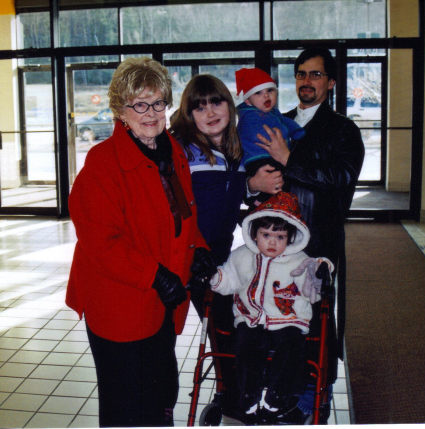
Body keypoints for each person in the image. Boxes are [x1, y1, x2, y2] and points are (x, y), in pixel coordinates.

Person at [65, 57, 216, 427]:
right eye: (139, 104)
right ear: (120, 109)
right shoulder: (102, 163)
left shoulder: (172, 151)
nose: (150, 113)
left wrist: (199, 252)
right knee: (125, 405)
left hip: (161, 302)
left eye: (158, 102)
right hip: (119, 304)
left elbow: (183, 214)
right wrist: (154, 274)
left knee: (161, 391)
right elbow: (101, 242)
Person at [252, 48, 365, 423]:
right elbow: (254, 172)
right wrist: (253, 183)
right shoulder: (276, 122)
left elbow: (340, 180)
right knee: (271, 314)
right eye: (301, 73)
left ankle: (312, 397)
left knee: (314, 321)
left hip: (318, 243)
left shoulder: (344, 131)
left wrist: (290, 160)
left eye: (316, 75)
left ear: (331, 83)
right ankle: (273, 391)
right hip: (273, 245)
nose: (306, 81)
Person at [169, 74, 282, 418]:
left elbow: (225, 197)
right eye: (199, 106)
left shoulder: (232, 146)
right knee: (209, 329)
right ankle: (231, 398)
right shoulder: (181, 149)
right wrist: (248, 183)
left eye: (216, 102)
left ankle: (234, 394)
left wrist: (248, 185)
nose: (209, 111)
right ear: (189, 114)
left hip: (218, 253)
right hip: (186, 258)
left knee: (228, 326)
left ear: (230, 105)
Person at [210, 192, 333, 424]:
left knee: (291, 348)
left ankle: (279, 395)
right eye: (266, 235)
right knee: (246, 346)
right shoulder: (242, 256)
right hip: (251, 318)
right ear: (254, 234)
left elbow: (312, 287)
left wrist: (319, 272)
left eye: (280, 236)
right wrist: (214, 277)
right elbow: (229, 280)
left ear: (291, 239)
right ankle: (249, 394)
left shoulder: (298, 260)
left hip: (288, 320)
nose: (273, 242)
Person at [235, 67, 305, 204]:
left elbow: (286, 122)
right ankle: (259, 200)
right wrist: (285, 135)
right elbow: (270, 132)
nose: (266, 96)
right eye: (258, 93)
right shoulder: (248, 116)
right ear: (248, 100)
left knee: (278, 179)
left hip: (270, 157)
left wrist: (297, 131)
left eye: (270, 91)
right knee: (271, 176)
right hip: (257, 158)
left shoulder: (274, 113)